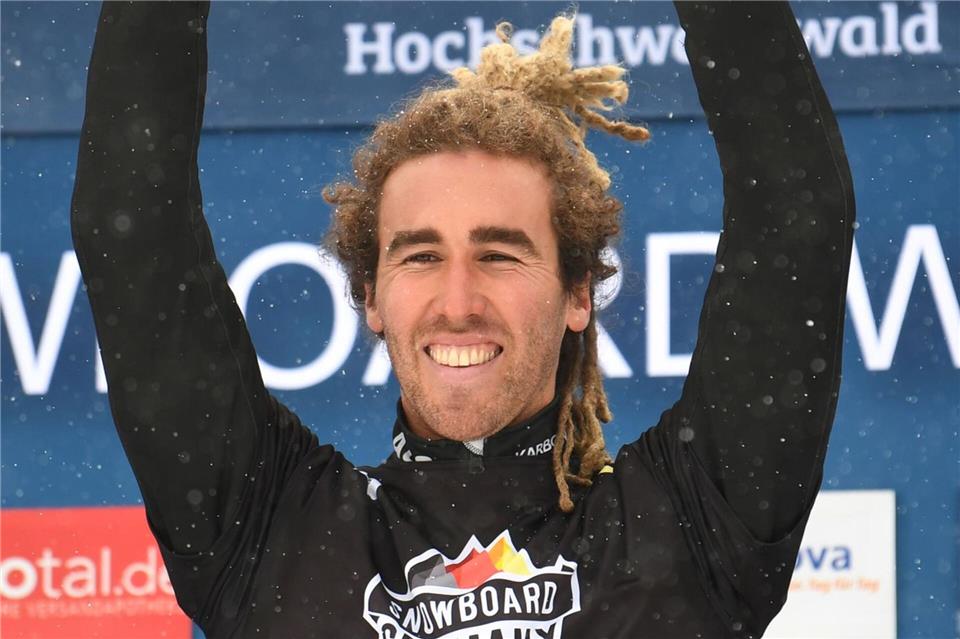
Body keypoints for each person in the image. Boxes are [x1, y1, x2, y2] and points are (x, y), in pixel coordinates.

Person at [71, 1, 855, 637]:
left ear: (578, 290)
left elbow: (799, 216)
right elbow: (131, 229)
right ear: (370, 295)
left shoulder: (689, 530)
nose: (457, 300)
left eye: (500, 254)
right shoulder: (271, 529)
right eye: (418, 256)